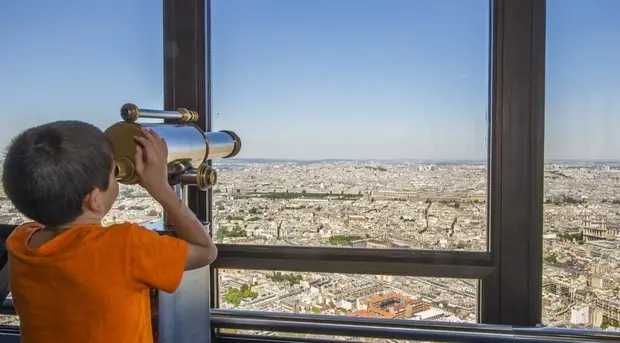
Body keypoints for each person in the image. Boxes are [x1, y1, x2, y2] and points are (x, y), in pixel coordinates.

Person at [2, 120, 218, 343]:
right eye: (113, 172)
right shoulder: (125, 246)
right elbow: (205, 251)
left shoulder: (20, 241)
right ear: (95, 200)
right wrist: (160, 188)